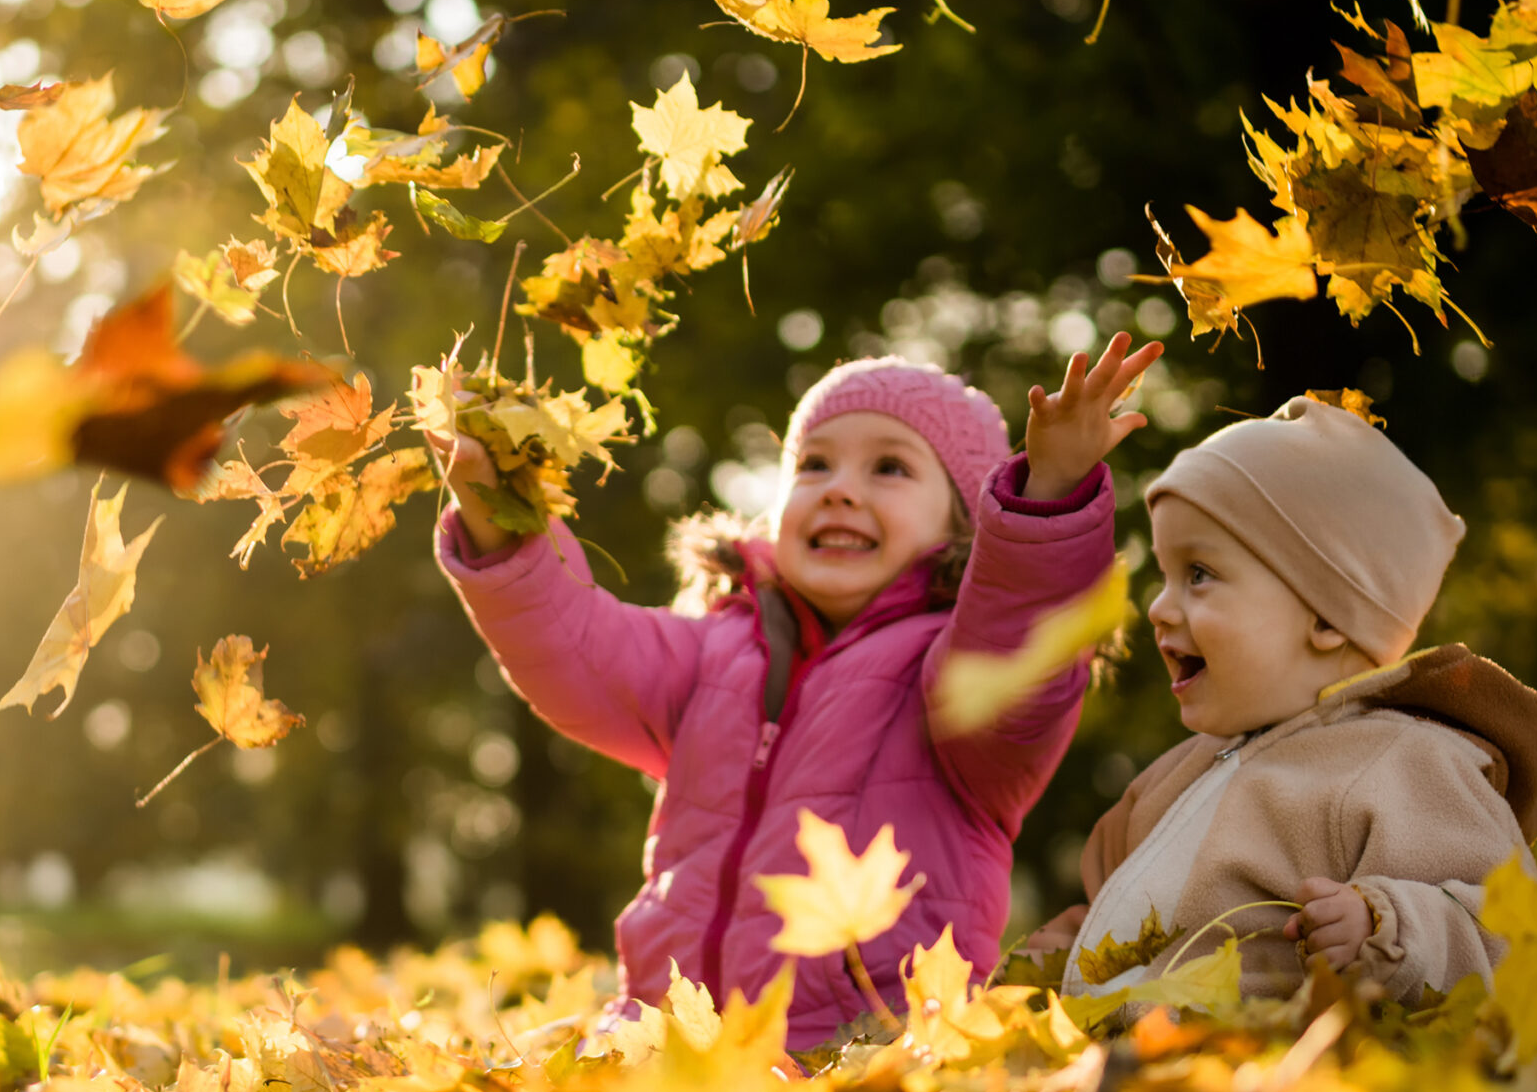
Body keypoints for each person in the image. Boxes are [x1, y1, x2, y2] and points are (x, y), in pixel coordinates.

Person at [429, 337, 1160, 1050]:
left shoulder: (953, 674)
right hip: (666, 1039)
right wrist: (499, 513)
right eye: (814, 465)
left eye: (889, 469)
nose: (841, 488)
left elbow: (1019, 639)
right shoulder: (712, 649)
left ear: (963, 524)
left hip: (860, 1051)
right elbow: (574, 645)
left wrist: (1049, 496)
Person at [1021, 395, 1537, 1005]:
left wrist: (1385, 927)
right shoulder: (1172, 779)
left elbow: (1510, 931)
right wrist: (1046, 963)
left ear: (1326, 618)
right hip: (1134, 1079)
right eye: (1164, 575)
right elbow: (1114, 917)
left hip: (1265, 1080)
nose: (1158, 606)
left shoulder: (1405, 764)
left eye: (1199, 573)